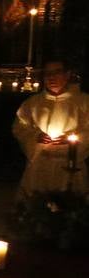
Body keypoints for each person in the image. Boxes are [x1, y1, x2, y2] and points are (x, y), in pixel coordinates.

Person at [12, 58, 88, 200]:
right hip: (40, 165)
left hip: (70, 166)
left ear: (67, 75)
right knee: (36, 207)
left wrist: (73, 140)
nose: (51, 77)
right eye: (47, 73)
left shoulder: (83, 102)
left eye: (57, 72)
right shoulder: (33, 103)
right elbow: (19, 127)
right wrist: (36, 136)